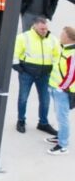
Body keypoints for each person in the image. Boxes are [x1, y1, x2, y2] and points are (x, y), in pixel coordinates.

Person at [14, 17, 60, 135]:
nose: (44, 31)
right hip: (27, 73)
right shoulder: (24, 37)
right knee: (23, 98)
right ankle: (21, 120)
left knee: (45, 100)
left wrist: (53, 69)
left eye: (46, 28)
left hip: (45, 75)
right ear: (34, 27)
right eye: (41, 29)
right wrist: (17, 67)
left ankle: (43, 123)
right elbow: (15, 53)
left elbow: (56, 55)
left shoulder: (52, 39)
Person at [47, 26, 75, 155]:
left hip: (63, 91)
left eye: (62, 34)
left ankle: (63, 145)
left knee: (62, 117)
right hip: (55, 86)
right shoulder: (64, 48)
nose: (60, 36)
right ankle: (60, 137)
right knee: (58, 114)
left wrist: (61, 88)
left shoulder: (72, 54)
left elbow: (71, 75)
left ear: (68, 38)